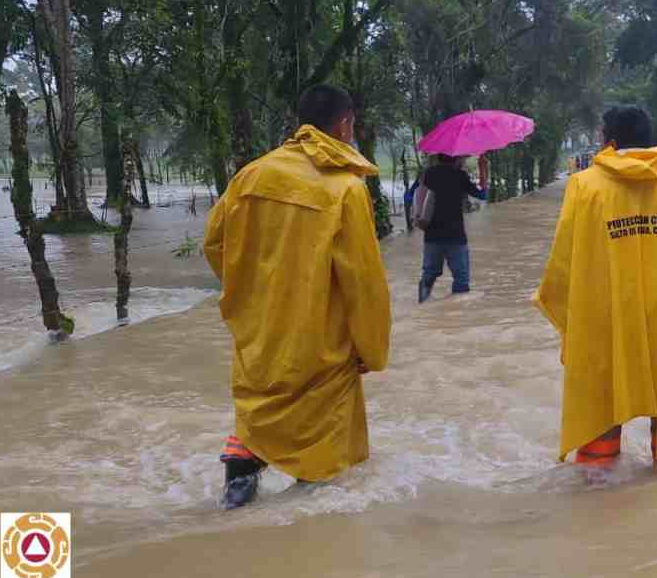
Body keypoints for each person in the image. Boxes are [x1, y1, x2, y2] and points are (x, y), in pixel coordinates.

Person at [204, 84, 391, 509]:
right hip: (319, 336)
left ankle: (243, 458)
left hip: (259, 327)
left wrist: (253, 290)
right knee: (323, 462)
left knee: (259, 400)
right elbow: (362, 280)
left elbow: (215, 243)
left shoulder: (251, 174)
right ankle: (313, 548)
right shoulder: (345, 188)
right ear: (344, 125)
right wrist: (372, 350)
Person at [533, 105, 657, 472]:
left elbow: (566, 260)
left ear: (608, 140)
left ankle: (600, 486)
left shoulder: (584, 186)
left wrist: (560, 304)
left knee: (600, 412)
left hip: (606, 316)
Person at [417, 154, 487, 303]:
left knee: (429, 274)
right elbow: (482, 194)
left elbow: (417, 195)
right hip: (455, 236)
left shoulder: (429, 173)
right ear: (456, 158)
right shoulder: (459, 176)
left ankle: (421, 304)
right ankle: (458, 317)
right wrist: (483, 167)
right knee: (461, 281)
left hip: (432, 236)